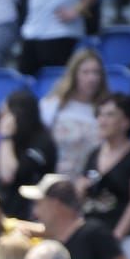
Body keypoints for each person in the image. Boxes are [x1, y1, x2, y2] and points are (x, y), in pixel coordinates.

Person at [79, 94, 130, 259]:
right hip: (91, 237)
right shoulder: (93, 154)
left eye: (110, 115)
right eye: (100, 115)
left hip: (123, 239)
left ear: (126, 122)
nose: (102, 121)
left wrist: (116, 237)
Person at [40, 47, 107, 179]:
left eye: (96, 73)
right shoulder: (53, 105)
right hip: (55, 179)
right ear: (74, 74)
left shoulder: (105, 109)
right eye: (86, 72)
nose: (92, 78)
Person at [0, 90, 56, 218]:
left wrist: (6, 137)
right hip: (8, 210)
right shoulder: (14, 142)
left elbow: (9, 175)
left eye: (5, 114)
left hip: (33, 212)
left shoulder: (42, 142)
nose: (1, 119)